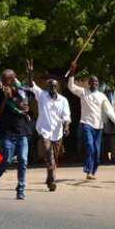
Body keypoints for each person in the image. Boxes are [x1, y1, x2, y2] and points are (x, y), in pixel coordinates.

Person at [68, 63, 115, 180]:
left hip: (99, 126)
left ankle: (92, 171)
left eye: (96, 82)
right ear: (88, 83)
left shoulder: (102, 96)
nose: (94, 83)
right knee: (90, 146)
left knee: (97, 151)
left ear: (98, 84)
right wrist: (72, 72)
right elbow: (71, 87)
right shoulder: (83, 92)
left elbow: (108, 109)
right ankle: (88, 170)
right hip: (86, 124)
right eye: (92, 82)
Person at [25, 60, 70, 191]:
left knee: (54, 157)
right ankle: (53, 181)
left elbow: (66, 117)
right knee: (48, 153)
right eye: (50, 86)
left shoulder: (63, 100)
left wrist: (66, 127)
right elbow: (30, 84)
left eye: (54, 86)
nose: (52, 88)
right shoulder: (41, 95)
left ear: (58, 87)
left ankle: (50, 178)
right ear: (46, 87)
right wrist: (30, 73)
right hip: (44, 131)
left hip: (58, 132)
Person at [0, 69, 31, 200]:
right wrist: (5, 99)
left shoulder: (21, 92)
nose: (8, 81)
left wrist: (25, 108)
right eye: (5, 78)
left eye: (10, 78)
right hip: (7, 132)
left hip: (22, 131)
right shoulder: (0, 94)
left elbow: (26, 106)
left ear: (14, 79)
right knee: (7, 160)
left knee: (23, 160)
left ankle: (20, 189)